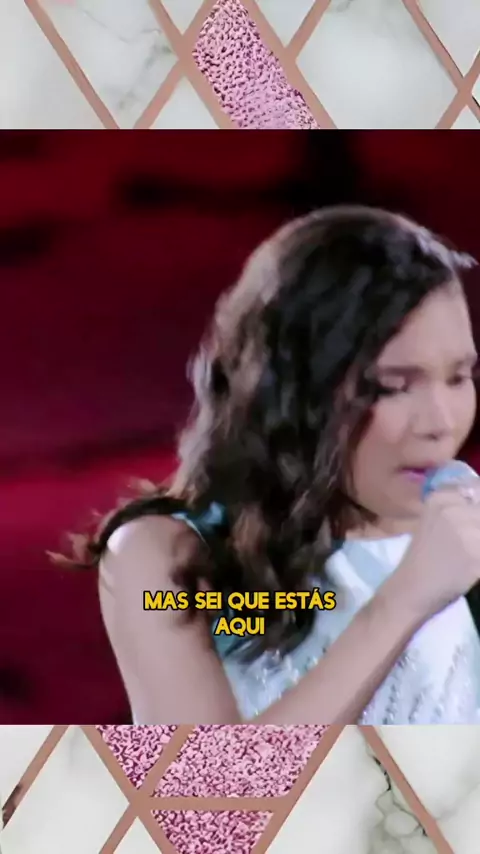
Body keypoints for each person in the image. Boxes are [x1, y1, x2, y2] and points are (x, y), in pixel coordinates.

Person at [61, 205, 480, 725]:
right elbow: (209, 776)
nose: (441, 421)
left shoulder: (464, 539)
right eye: (392, 386)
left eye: (460, 377)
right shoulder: (165, 559)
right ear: (297, 391)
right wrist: (405, 599)